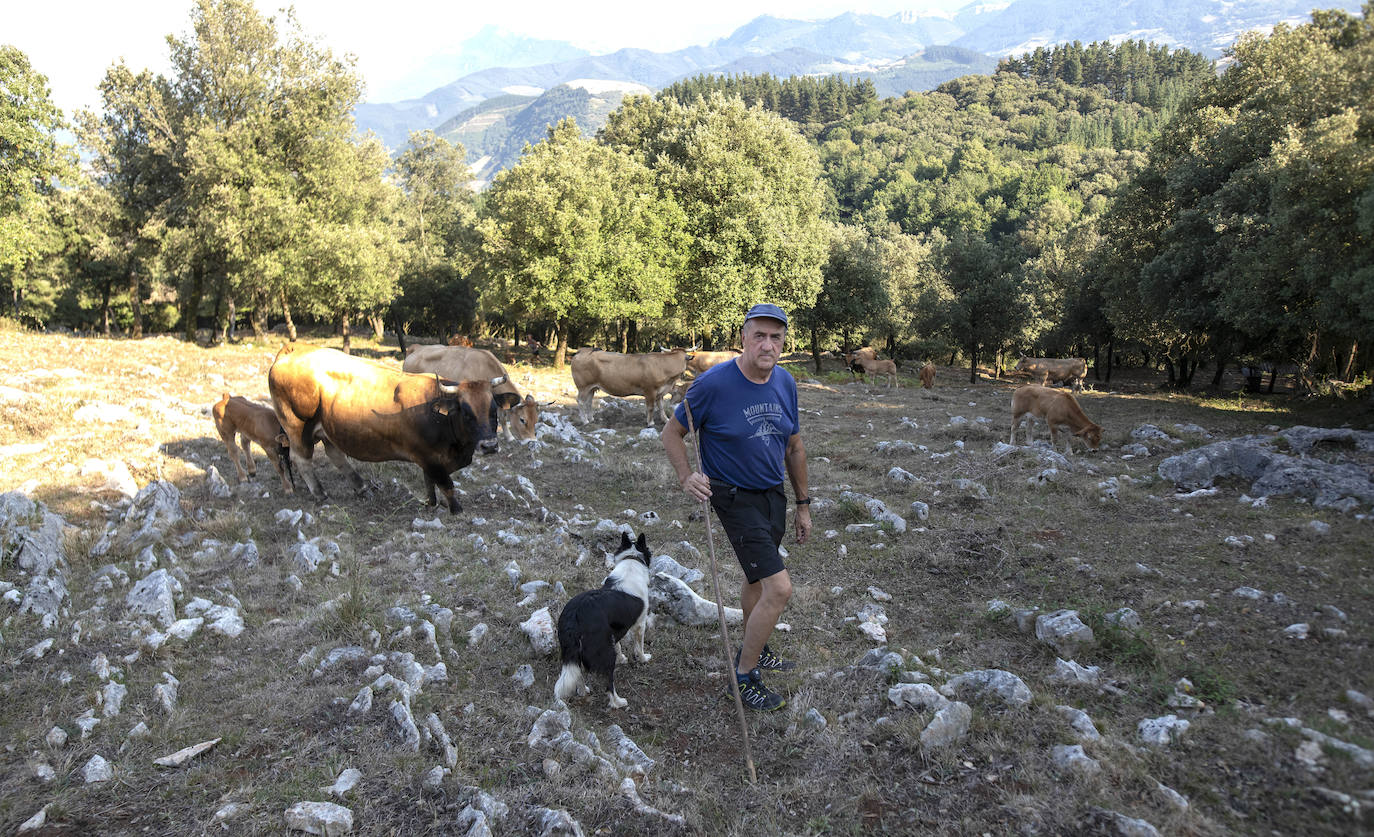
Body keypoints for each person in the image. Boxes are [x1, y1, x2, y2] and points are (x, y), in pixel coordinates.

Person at [661, 303, 812, 711]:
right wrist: (686, 476)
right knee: (779, 589)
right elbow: (672, 432)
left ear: (783, 342)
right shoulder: (713, 384)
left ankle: (754, 646)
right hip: (732, 495)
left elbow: (794, 446)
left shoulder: (785, 382)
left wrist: (802, 505)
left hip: (771, 494)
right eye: (759, 335)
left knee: (756, 581)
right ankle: (742, 677)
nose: (768, 344)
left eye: (775, 337)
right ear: (743, 338)